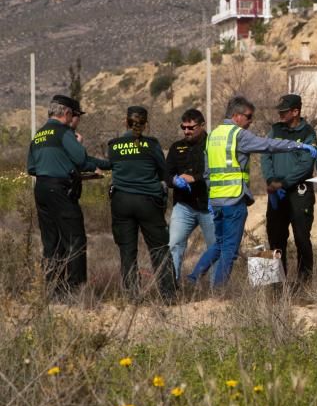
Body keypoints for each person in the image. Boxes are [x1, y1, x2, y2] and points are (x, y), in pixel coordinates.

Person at [188, 95, 317, 288]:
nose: (250, 121)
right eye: (249, 117)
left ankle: (193, 277)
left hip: (216, 200)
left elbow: (207, 172)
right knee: (230, 250)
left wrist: (210, 195)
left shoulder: (213, 135)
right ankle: (219, 291)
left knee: (220, 243)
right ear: (237, 115)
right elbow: (269, 146)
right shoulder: (237, 134)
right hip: (233, 199)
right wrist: (299, 145)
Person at [26, 95, 109, 297]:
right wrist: (81, 145)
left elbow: (31, 167)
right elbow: (81, 159)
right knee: (74, 240)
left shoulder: (39, 134)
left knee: (51, 243)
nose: (77, 120)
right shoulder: (64, 132)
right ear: (67, 113)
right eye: (76, 115)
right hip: (60, 191)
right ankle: (75, 290)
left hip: (42, 190)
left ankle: (54, 290)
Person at [106, 106, 174, 302]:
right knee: (159, 249)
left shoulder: (114, 145)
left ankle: (132, 296)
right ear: (146, 125)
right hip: (148, 203)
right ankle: (168, 295)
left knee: (127, 251)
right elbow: (164, 172)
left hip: (121, 202)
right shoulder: (152, 145)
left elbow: (113, 166)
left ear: (125, 121)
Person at [262, 94, 317, 285]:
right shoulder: (275, 130)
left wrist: (284, 183)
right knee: (274, 237)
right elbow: (266, 155)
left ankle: (304, 283)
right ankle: (273, 284)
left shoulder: (308, 133)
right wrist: (270, 180)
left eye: (284, 111)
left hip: (299, 193)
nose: (280, 114)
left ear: (296, 111)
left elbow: (306, 163)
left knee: (302, 238)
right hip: (276, 193)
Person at [166, 108, 215, 281]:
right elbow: (166, 173)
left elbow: (215, 172)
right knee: (174, 245)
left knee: (215, 247)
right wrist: (174, 180)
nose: (186, 131)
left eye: (190, 127)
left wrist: (194, 178)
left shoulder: (213, 144)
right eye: (183, 127)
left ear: (202, 126)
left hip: (209, 206)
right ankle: (171, 287)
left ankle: (216, 291)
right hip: (184, 206)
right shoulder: (176, 147)